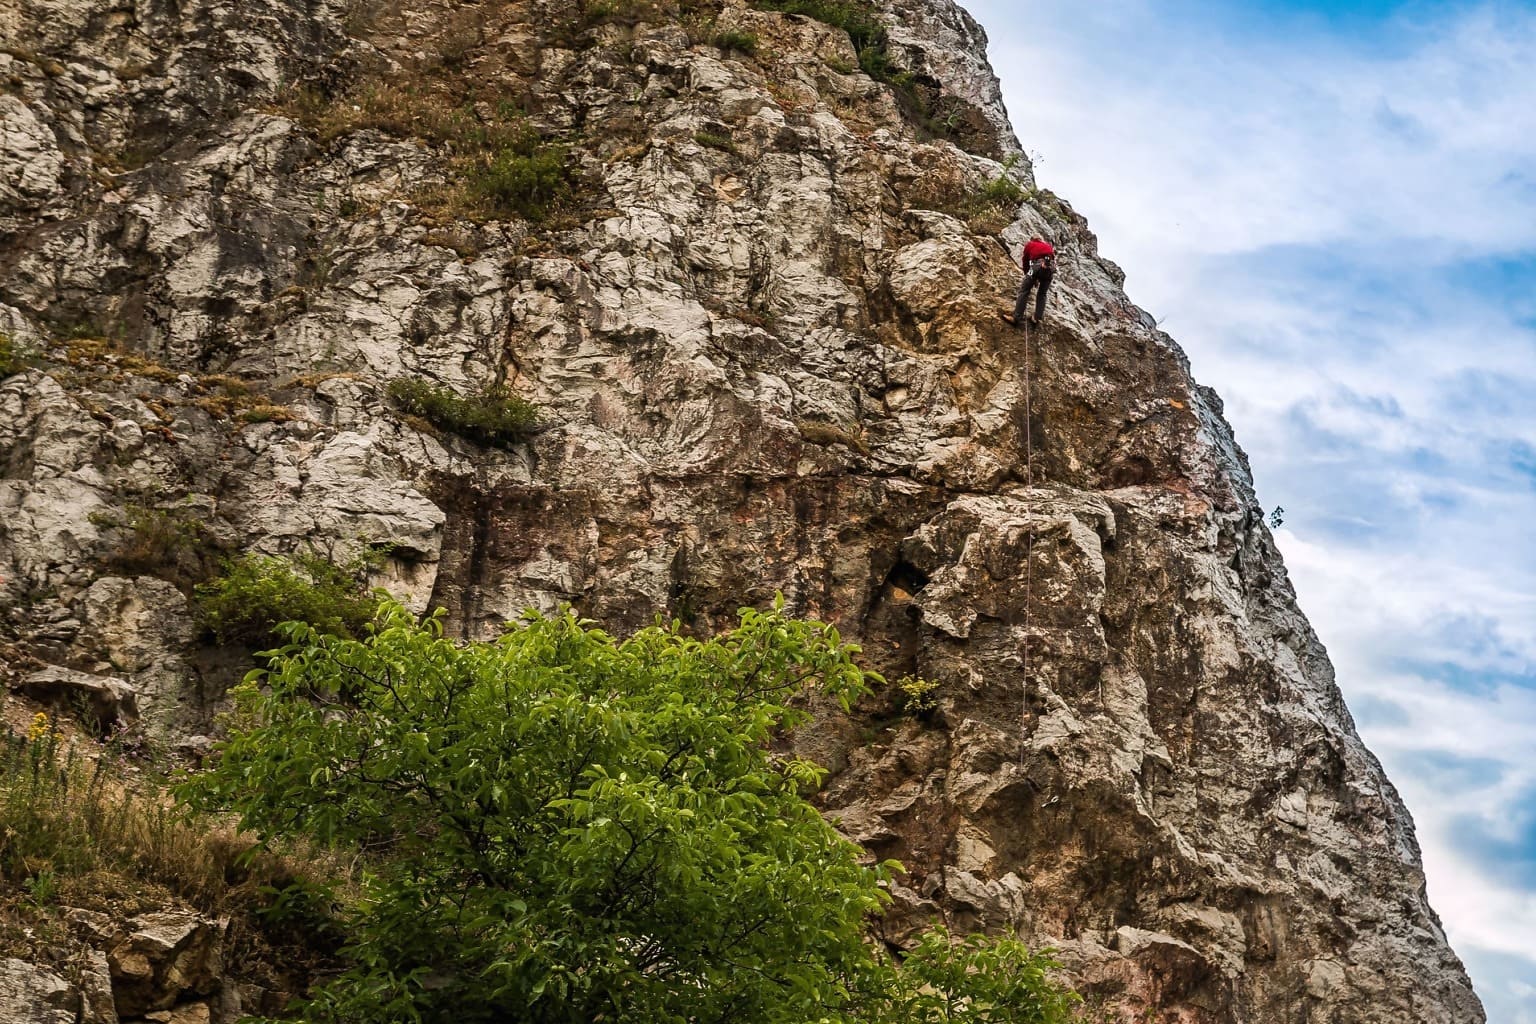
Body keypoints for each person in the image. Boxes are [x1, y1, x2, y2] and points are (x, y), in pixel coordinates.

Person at [1001, 236, 1055, 327]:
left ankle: (1016, 317)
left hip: (1037, 265)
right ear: (1041, 240)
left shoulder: (1030, 244)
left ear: (1032, 239)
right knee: (1042, 294)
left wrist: (1028, 275)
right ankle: (1036, 318)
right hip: (1050, 268)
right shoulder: (1047, 246)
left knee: (1024, 290)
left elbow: (1025, 261)